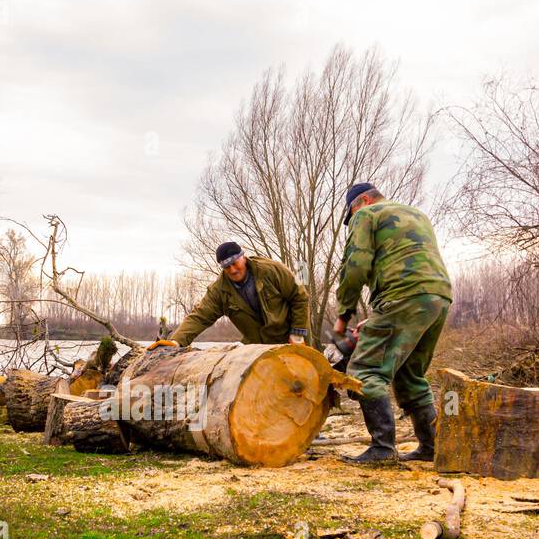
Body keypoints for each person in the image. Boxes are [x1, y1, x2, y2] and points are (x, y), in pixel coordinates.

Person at [334, 182, 451, 464]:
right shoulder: (416, 213)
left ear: (362, 201)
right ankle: (431, 447)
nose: (352, 220)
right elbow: (404, 262)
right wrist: (379, 317)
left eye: (351, 214)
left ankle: (382, 449)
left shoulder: (366, 215)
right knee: (409, 374)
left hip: (402, 296)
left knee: (365, 370)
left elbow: (357, 265)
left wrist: (343, 313)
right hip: (438, 297)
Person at [162, 242, 309, 348]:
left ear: (243, 258)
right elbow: (200, 316)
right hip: (258, 348)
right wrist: (176, 341)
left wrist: (297, 333)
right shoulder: (219, 290)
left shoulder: (271, 270)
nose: (232, 270)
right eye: (226, 266)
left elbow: (300, 297)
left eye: (235, 263)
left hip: (292, 338)